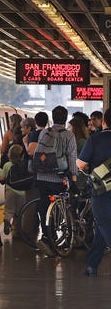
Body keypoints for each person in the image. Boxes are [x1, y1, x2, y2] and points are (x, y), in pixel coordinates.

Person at [35, 106, 78, 257]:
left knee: (44, 206)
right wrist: (74, 176)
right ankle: (58, 238)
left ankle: (47, 237)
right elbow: (72, 157)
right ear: (65, 119)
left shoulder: (43, 133)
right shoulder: (68, 136)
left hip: (41, 177)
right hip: (58, 178)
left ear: (52, 118)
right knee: (61, 208)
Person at [77, 108, 111, 277]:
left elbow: (81, 164)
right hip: (102, 193)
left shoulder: (95, 139)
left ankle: (92, 265)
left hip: (101, 191)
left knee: (104, 224)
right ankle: (92, 264)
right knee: (101, 226)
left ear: (104, 121)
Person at [0, 143, 27, 236]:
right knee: (20, 211)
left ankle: (7, 221)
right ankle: (17, 231)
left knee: (9, 209)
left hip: (10, 191)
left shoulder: (7, 165)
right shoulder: (24, 165)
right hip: (22, 192)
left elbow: (2, 178)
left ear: (9, 154)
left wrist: (0, 178)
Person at [68, 116, 89, 190]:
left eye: (69, 127)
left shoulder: (81, 142)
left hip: (81, 177)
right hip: (78, 175)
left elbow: (85, 161)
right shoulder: (77, 141)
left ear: (75, 128)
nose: (68, 129)